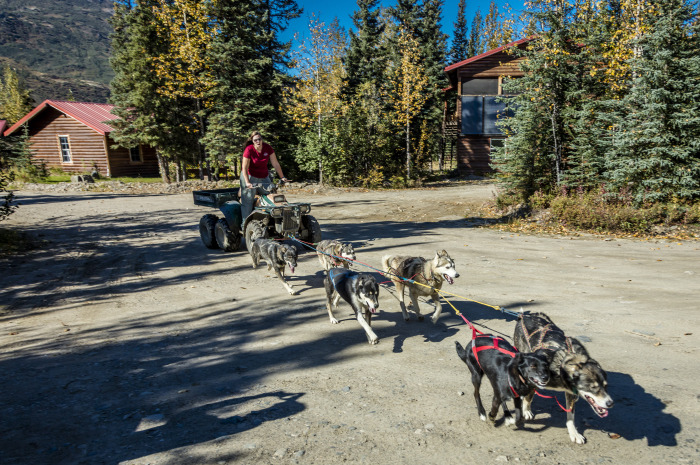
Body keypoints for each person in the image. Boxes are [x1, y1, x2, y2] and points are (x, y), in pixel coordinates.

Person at [240, 130, 289, 219]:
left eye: (259, 139)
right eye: (255, 140)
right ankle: (245, 226)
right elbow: (244, 167)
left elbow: (275, 164)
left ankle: (272, 220)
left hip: (263, 176)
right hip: (250, 176)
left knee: (271, 196)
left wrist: (282, 177)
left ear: (262, 139)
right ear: (252, 141)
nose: (258, 141)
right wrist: (247, 182)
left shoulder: (267, 148)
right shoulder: (249, 149)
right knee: (247, 201)